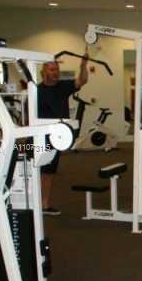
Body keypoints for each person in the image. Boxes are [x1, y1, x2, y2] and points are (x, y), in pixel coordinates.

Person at [38, 55, 89, 215]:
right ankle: (36, 203)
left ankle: (44, 204)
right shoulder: (37, 90)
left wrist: (83, 65)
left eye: (57, 69)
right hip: (40, 136)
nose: (56, 72)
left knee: (49, 172)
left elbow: (82, 80)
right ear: (43, 72)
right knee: (38, 170)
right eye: (52, 69)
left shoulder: (63, 86)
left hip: (57, 136)